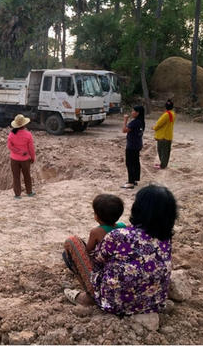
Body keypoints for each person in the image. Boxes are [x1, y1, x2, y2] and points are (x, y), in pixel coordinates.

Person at [63, 184, 177, 316]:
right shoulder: (165, 239)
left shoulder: (118, 235)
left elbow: (98, 264)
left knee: (72, 242)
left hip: (115, 303)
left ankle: (91, 296)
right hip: (152, 302)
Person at [62, 194, 125, 294]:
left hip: (103, 267)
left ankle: (88, 290)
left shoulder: (96, 232)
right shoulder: (123, 226)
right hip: (118, 265)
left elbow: (88, 251)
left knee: (68, 252)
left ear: (97, 216)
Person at [7, 114, 36, 199]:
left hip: (14, 159)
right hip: (25, 160)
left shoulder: (12, 134)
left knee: (16, 177)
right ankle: (29, 192)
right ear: (24, 124)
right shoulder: (28, 135)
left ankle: (17, 194)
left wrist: (18, 152)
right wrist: (32, 158)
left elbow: (10, 146)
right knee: (27, 176)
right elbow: (31, 148)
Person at [121, 105, 145, 189]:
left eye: (133, 111)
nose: (132, 113)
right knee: (135, 162)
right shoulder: (141, 121)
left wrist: (125, 120)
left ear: (137, 113)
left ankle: (130, 182)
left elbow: (124, 130)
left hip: (132, 145)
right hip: (138, 144)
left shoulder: (134, 122)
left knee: (130, 163)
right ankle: (134, 179)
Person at [153, 99, 176, 169]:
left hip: (163, 136)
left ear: (165, 107)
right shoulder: (173, 114)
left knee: (161, 151)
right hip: (168, 135)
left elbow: (159, 124)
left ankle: (162, 165)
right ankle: (163, 164)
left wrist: (154, 128)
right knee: (166, 152)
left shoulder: (166, 115)